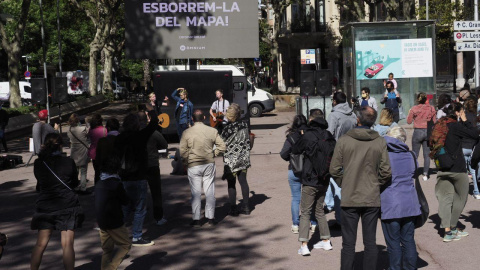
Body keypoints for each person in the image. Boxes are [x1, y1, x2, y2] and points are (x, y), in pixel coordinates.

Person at [329, 106, 391, 270]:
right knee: (370, 242)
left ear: (357, 120)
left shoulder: (344, 140)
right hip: (370, 197)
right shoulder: (379, 141)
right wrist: (375, 184)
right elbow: (386, 171)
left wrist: (345, 182)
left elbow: (334, 169)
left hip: (350, 196)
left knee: (348, 243)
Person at [31, 133, 84, 270]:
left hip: (45, 205)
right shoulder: (68, 162)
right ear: (60, 146)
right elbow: (74, 182)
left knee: (40, 244)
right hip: (67, 204)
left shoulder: (39, 163)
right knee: (67, 244)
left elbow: (40, 182)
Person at [430, 103, 478, 241]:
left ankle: (447, 231)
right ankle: (453, 226)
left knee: (445, 199)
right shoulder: (456, 127)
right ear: (457, 112)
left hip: (442, 167)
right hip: (457, 168)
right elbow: (475, 134)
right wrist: (465, 120)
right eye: (462, 111)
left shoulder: (438, 126)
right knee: (459, 198)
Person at [292, 111, 334, 256]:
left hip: (310, 179)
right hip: (324, 179)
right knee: (320, 211)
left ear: (312, 122)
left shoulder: (308, 135)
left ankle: (304, 245)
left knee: (305, 212)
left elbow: (296, 149)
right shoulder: (329, 136)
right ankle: (326, 241)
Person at [114, 111, 158, 246]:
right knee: (140, 208)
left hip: (124, 176)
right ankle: (137, 236)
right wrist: (152, 112)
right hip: (138, 176)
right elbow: (153, 126)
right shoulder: (140, 136)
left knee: (126, 207)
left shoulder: (119, 138)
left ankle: (115, 233)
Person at [382, 127, 421, 270]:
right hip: (410, 202)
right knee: (408, 240)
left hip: (390, 203)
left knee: (393, 243)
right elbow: (414, 172)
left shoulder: (385, 156)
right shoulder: (411, 155)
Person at [180, 109, 226, 227]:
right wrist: (213, 154)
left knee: (195, 193)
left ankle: (196, 219)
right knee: (209, 190)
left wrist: (186, 162)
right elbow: (222, 146)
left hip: (193, 164)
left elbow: (183, 151)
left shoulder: (186, 132)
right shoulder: (212, 130)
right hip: (208, 163)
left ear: (192, 119)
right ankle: (210, 217)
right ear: (204, 118)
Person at [280, 114, 318, 234]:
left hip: (294, 169)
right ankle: (313, 223)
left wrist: (291, 158)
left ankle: (296, 224)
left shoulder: (291, 137)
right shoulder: (312, 135)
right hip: (309, 170)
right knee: (311, 198)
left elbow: (283, 153)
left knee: (296, 198)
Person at [95, 154, 131, 270]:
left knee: (107, 249)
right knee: (125, 245)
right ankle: (111, 268)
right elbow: (125, 201)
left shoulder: (99, 182)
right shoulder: (116, 184)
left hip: (102, 221)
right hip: (114, 221)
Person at [221, 104, 251, 216]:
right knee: (243, 181)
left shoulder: (227, 129)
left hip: (231, 160)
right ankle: (246, 207)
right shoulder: (245, 125)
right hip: (243, 157)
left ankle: (233, 209)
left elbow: (221, 143)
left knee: (231, 183)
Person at [142, 111, 168, 226]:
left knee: (139, 192)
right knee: (156, 192)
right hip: (152, 163)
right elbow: (164, 144)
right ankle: (159, 217)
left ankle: (139, 216)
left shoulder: (134, 132)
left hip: (139, 165)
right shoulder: (153, 132)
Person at [407, 92, 437, 181]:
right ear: (426, 99)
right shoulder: (431, 108)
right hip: (427, 131)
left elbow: (409, 121)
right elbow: (434, 122)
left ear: (417, 99)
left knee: (415, 154)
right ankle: (425, 174)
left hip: (417, 131)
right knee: (426, 154)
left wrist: (410, 113)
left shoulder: (414, 109)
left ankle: (414, 172)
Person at [67, 114, 90, 194]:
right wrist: (87, 122)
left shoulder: (69, 130)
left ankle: (75, 186)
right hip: (83, 151)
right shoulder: (83, 129)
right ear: (78, 121)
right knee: (83, 171)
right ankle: (83, 188)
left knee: (75, 171)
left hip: (74, 151)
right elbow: (89, 131)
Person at [462, 97, 479, 193]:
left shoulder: (463, 118)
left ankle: (463, 190)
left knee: (463, 171)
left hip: (463, 145)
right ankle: (477, 191)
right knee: (474, 170)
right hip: (474, 147)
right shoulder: (476, 118)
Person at [88, 114, 108, 184]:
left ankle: (96, 186)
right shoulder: (104, 130)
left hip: (93, 153)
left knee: (97, 171)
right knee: (103, 171)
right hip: (102, 152)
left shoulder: (91, 130)